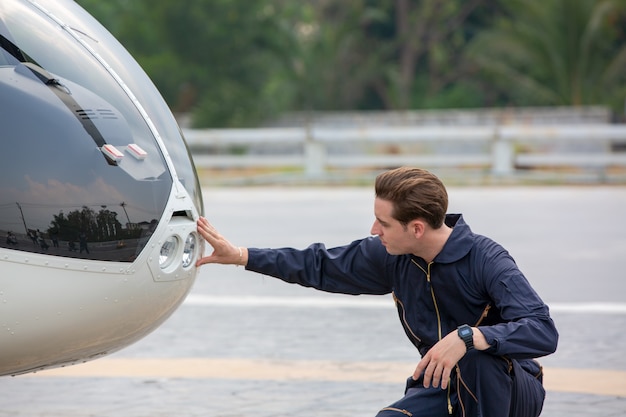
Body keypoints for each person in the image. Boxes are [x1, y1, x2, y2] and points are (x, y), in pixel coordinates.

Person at [196, 167, 558, 417]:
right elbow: (319, 264)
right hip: (440, 387)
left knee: (475, 358)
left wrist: (468, 336)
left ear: (416, 228)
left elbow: (543, 330)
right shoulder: (391, 255)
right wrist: (241, 256)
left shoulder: (486, 258)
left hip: (508, 391)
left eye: (382, 223)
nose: (373, 230)